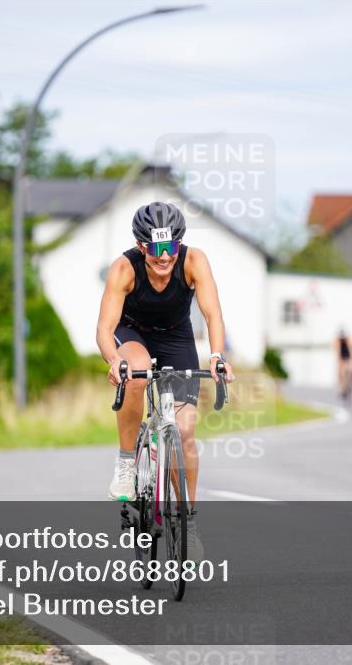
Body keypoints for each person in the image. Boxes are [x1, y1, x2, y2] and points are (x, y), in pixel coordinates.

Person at [96, 201, 234, 563]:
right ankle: (127, 463)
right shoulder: (124, 268)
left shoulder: (193, 261)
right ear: (141, 247)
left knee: (185, 432)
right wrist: (114, 361)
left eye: (170, 247)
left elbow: (212, 313)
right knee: (137, 373)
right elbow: (104, 328)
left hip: (177, 338)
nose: (163, 257)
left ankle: (187, 521)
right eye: (155, 249)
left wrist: (217, 357)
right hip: (133, 333)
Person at [334, 328, 352, 405]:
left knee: (351, 372)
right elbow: (338, 354)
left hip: (348, 360)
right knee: (342, 374)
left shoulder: (349, 341)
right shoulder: (338, 342)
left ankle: (350, 388)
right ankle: (341, 389)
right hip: (342, 361)